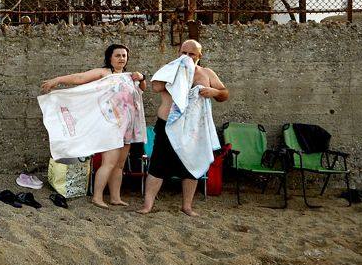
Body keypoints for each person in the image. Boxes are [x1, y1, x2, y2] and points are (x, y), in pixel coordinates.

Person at [40, 44, 147, 208]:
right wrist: (58, 80)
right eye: (117, 55)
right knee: (109, 163)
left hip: (128, 127)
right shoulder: (104, 73)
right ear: (110, 57)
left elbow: (141, 90)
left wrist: (142, 78)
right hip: (111, 126)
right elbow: (80, 78)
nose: (121, 59)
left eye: (124, 56)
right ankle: (97, 197)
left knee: (119, 165)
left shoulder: (129, 76)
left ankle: (115, 197)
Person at [138, 39, 229, 217]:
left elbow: (224, 94)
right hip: (168, 124)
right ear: (178, 53)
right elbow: (156, 86)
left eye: (192, 54)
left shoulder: (207, 73)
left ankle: (187, 206)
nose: (187, 57)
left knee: (191, 164)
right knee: (158, 164)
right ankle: (148, 205)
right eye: (184, 53)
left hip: (194, 128)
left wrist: (214, 92)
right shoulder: (170, 69)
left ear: (199, 56)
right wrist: (177, 79)